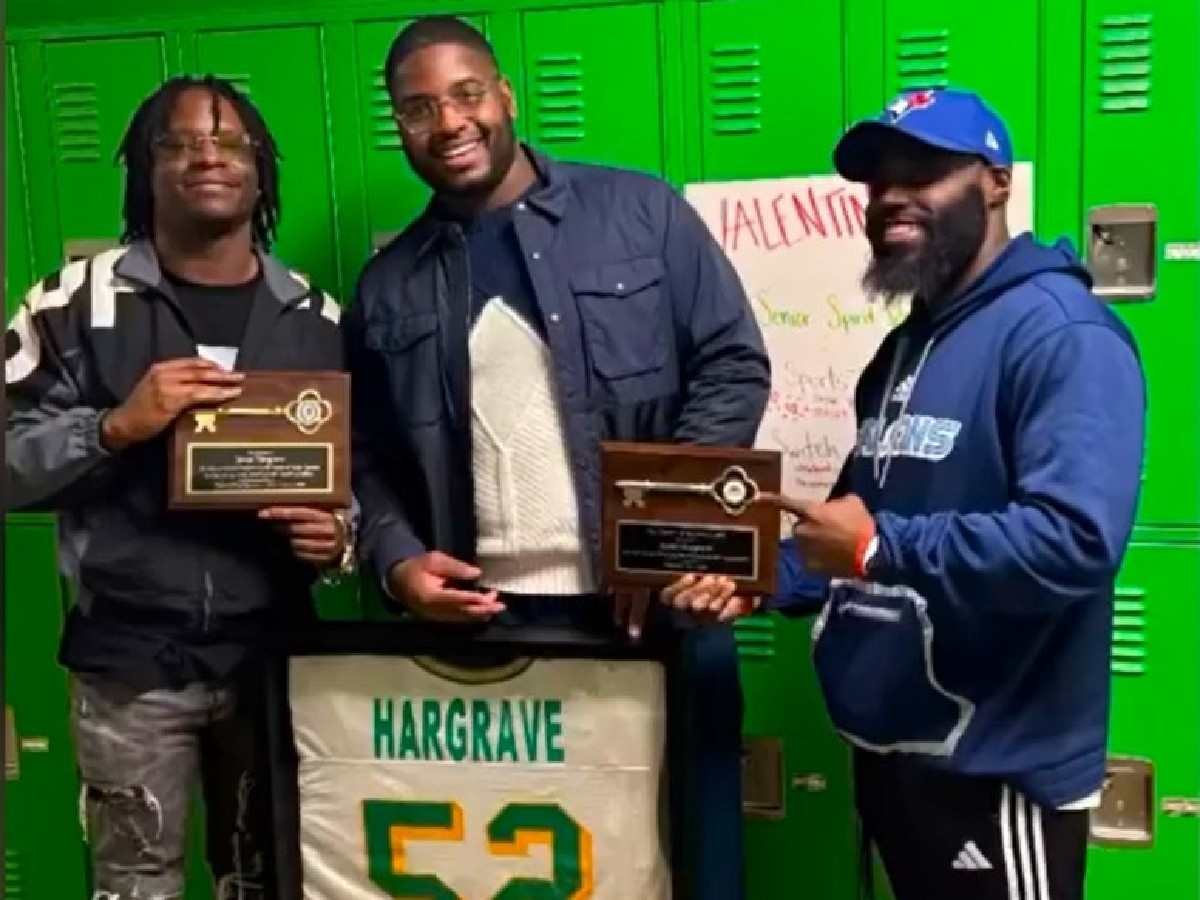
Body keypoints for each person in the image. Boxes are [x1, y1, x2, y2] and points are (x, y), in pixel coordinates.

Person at [345, 16, 769, 898]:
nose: (449, 123)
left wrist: (658, 536)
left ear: (505, 95)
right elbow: (366, 455)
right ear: (399, 126)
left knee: (684, 860)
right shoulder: (389, 284)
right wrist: (395, 565)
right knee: (525, 870)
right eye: (418, 108)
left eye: (466, 94)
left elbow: (733, 363)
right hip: (488, 636)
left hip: (653, 622)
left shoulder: (641, 212)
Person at [767, 89, 1145, 900]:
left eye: (925, 172)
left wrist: (876, 548)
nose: (893, 196)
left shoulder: (1060, 334)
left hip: (999, 771)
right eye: (878, 181)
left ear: (996, 182)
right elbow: (846, 535)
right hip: (899, 760)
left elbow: (1075, 542)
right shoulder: (901, 349)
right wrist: (743, 578)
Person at [4, 76, 352, 900]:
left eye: (230, 142)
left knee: (268, 874)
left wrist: (340, 536)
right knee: (132, 883)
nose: (207, 155)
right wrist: (113, 427)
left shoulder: (316, 317)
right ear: (142, 168)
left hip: (269, 654)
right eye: (180, 141)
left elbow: (357, 475)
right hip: (129, 663)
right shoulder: (69, 306)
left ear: (261, 171)